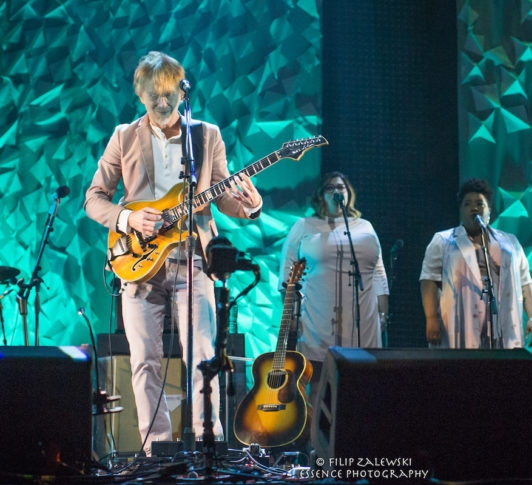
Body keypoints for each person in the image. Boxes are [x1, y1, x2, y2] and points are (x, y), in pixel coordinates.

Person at [84, 51, 262, 454]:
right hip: (138, 262)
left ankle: (206, 444)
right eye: (154, 98)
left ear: (182, 92)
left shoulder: (206, 135)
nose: (163, 105)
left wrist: (250, 206)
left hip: (193, 261)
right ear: (140, 95)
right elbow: (94, 199)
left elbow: (223, 196)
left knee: (203, 356)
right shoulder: (123, 136)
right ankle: (156, 450)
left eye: (169, 96)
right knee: (145, 360)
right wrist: (129, 220)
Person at [279, 172, 389, 397]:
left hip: (363, 318)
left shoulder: (365, 226)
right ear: (321, 196)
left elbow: (378, 273)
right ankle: (318, 431)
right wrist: (290, 315)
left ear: (349, 195)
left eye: (342, 187)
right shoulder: (305, 226)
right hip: (317, 316)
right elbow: (286, 277)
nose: (337, 191)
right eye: (331, 188)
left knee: (362, 380)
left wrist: (383, 313)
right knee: (319, 380)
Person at [420, 178, 532, 349]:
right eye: (467, 204)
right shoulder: (443, 241)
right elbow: (428, 280)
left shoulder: (510, 243)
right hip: (462, 319)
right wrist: (431, 318)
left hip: (502, 319)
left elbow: (525, 282)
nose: (474, 208)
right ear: (461, 210)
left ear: (489, 210)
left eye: (480, 204)